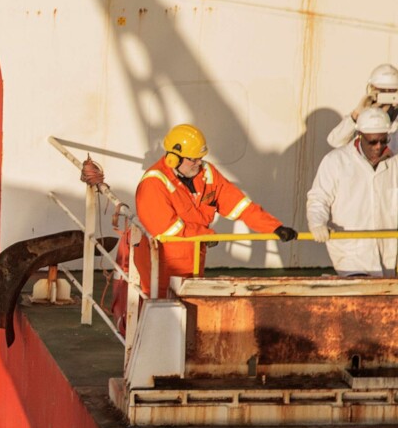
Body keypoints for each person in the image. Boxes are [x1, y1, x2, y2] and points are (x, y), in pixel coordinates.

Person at [125, 123, 296, 297]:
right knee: (162, 314)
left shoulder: (207, 174)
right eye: (193, 159)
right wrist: (204, 235)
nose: (199, 163)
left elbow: (239, 205)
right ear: (173, 159)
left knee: (189, 310)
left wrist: (274, 227)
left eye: (201, 158)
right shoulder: (154, 183)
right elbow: (165, 229)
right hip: (160, 269)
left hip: (194, 264)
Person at [308, 106, 398, 275]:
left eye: (383, 141)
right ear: (360, 136)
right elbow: (319, 199)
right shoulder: (336, 161)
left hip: (389, 256)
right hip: (351, 255)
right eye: (372, 141)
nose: (378, 147)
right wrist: (317, 223)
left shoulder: (395, 162)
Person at [326, 63, 398, 148]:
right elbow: (335, 141)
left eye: (391, 90)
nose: (386, 93)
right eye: (381, 89)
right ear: (372, 88)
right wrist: (357, 114)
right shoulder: (362, 116)